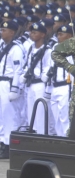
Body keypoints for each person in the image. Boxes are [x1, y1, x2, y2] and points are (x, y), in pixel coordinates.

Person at [20, 22, 52, 135]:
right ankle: (32, 135)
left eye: (35, 32)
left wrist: (45, 75)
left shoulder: (47, 50)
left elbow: (50, 66)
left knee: (40, 113)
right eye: (31, 32)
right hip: (30, 84)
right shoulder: (30, 49)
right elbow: (27, 65)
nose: (32, 34)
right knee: (31, 113)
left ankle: (42, 136)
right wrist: (24, 75)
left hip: (40, 84)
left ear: (43, 34)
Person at [0, 20, 25, 158]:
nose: (2, 32)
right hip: (1, 82)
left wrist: (15, 89)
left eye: (5, 30)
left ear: (12, 32)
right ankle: (2, 142)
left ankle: (9, 145)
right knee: (1, 115)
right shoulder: (2, 46)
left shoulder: (16, 48)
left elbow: (18, 70)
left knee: (9, 115)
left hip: (9, 84)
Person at [48, 25, 74, 137]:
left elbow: (73, 70)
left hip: (66, 86)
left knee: (65, 117)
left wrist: (73, 89)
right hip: (55, 86)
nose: (59, 37)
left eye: (61, 34)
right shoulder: (54, 49)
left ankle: (66, 138)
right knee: (56, 116)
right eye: (58, 34)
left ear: (69, 36)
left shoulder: (72, 50)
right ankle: (59, 138)